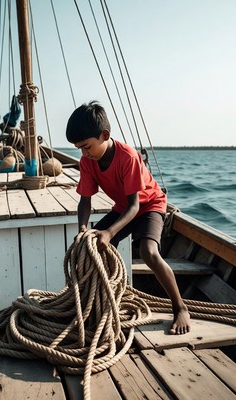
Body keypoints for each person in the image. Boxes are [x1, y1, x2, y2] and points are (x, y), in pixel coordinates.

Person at [66, 101, 190, 335]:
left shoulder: (128, 156)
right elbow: (85, 200)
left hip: (149, 205)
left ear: (104, 135)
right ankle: (102, 304)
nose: (84, 153)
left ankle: (180, 306)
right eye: (79, 148)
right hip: (123, 208)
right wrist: (83, 228)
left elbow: (135, 206)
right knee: (90, 248)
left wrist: (110, 232)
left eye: (87, 147)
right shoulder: (87, 162)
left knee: (149, 253)